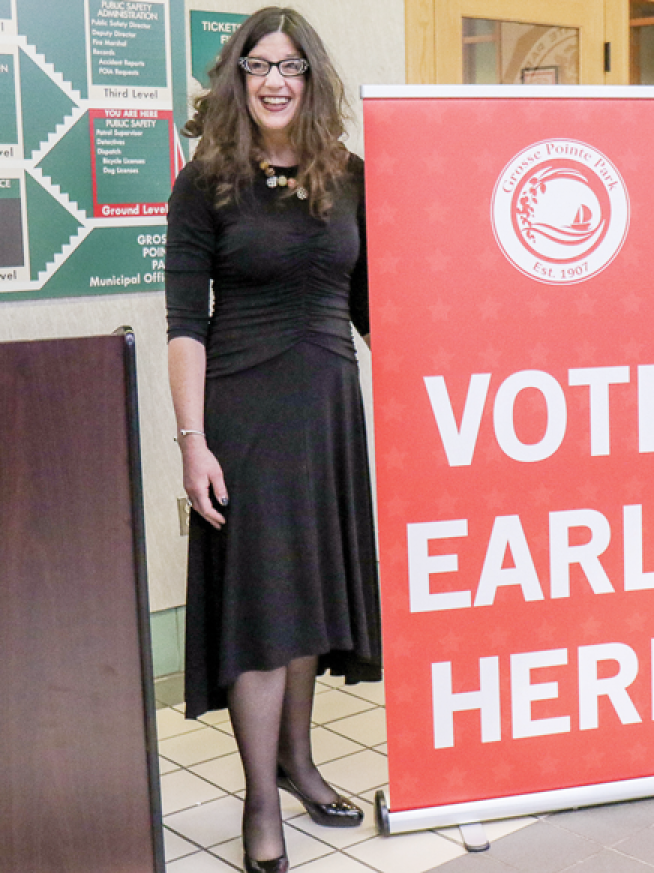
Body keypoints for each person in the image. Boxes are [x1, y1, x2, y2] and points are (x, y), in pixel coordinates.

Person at [165, 8, 381, 872]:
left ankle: (299, 762)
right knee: (261, 607)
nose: (276, 81)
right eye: (259, 65)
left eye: (292, 66)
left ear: (313, 78)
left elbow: (374, 313)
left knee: (307, 602)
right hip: (243, 415)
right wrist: (192, 442)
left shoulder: (352, 177)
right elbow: (186, 322)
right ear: (237, 78)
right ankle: (261, 799)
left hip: (328, 412)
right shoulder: (206, 182)